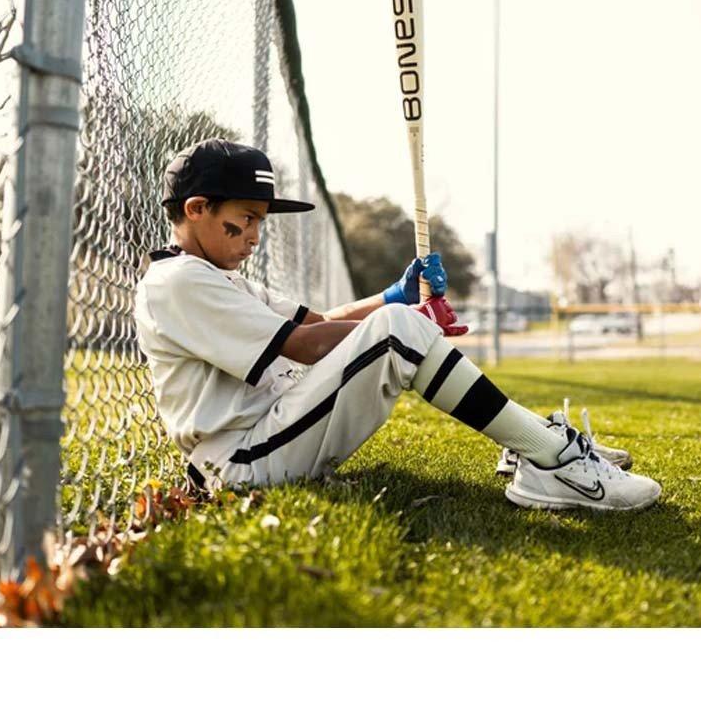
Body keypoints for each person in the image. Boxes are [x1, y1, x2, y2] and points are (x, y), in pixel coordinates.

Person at [134, 139, 660, 513]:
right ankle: (550, 459)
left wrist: (395, 296)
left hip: (268, 436)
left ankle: (537, 444)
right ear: (197, 208)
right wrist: (409, 321)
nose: (254, 235)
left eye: (260, 222)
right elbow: (305, 345)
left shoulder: (218, 276)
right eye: (246, 218)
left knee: (396, 324)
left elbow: (320, 322)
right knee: (397, 331)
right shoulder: (178, 281)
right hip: (240, 461)